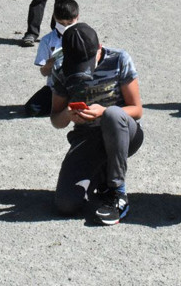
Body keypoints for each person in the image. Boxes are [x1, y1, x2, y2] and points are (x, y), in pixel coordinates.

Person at [50, 23, 143, 226]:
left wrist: (103, 112)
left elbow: (136, 110)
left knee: (112, 114)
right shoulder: (60, 68)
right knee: (66, 204)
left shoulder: (119, 59)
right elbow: (56, 120)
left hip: (124, 133)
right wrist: (67, 114)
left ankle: (117, 191)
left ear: (99, 48)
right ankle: (100, 175)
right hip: (87, 139)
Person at [24, 0, 80, 117]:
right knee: (32, 109)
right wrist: (49, 65)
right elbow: (44, 72)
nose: (65, 27)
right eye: (61, 23)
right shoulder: (47, 40)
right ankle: (66, 105)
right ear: (54, 18)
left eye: (69, 24)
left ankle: (68, 105)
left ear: (77, 18)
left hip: (79, 84)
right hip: (56, 87)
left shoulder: (84, 36)